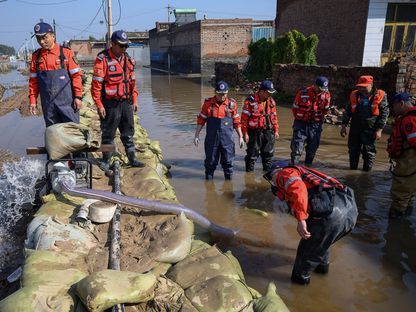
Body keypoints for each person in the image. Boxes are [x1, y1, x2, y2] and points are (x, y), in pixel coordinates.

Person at [264, 161, 358, 285]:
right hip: (349, 210)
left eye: (271, 177)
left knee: (303, 262)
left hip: (331, 214)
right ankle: (322, 279)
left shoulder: (284, 173)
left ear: (277, 170)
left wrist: (301, 220)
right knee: (322, 247)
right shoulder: (302, 173)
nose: (273, 182)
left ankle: (299, 293)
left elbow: (298, 189)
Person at [91, 30, 144, 170]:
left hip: (126, 102)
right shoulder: (102, 60)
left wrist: (135, 100)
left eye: (126, 46)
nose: (124, 49)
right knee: (108, 133)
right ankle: (105, 160)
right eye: (121, 46)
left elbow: (132, 82)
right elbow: (96, 86)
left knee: (128, 132)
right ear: (112, 44)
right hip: (110, 104)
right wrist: (99, 104)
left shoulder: (127, 60)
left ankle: (132, 158)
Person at [29, 22, 83, 127]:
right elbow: (33, 82)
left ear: (53, 36)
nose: (41, 41)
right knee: (53, 135)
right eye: (38, 39)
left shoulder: (66, 53)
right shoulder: (36, 57)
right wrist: (32, 101)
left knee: (72, 132)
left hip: (68, 105)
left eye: (45, 38)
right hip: (48, 106)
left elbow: (76, 76)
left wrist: (78, 97)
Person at [194, 81, 244, 180]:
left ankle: (228, 186)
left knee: (228, 163)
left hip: (227, 141)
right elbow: (201, 120)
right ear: (215, 92)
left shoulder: (232, 104)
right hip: (212, 141)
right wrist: (196, 135)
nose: (222, 96)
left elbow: (237, 122)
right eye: (220, 93)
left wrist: (241, 136)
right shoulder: (208, 104)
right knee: (210, 163)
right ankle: (209, 186)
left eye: (224, 93)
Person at [340, 75, 389, 171]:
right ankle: (352, 171)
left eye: (364, 87)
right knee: (353, 150)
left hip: (371, 127)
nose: (361, 89)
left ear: (371, 85)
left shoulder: (380, 95)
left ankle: (367, 173)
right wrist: (343, 125)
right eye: (359, 86)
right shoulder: (354, 94)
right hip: (355, 126)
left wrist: (379, 130)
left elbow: (384, 113)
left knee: (369, 151)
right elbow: (348, 111)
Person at [386, 92, 416, 218]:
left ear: (401, 103)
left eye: (394, 105)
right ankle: (405, 217)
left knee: (401, 190)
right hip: (408, 161)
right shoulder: (407, 118)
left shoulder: (409, 120)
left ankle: (395, 224)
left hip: (408, 162)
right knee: (408, 192)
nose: (393, 108)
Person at [290, 76, 331, 165]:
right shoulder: (302, 93)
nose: (322, 91)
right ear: (315, 86)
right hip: (301, 124)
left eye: (324, 89)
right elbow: (295, 109)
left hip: (315, 125)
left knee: (312, 149)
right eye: (320, 89)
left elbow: (325, 110)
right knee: (297, 148)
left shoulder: (326, 95)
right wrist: (300, 119)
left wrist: (318, 120)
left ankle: (308, 167)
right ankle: (293, 167)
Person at [241, 80, 279, 172]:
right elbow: (244, 120)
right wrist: (245, 133)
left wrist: (276, 130)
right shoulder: (250, 101)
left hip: (268, 132)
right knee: (252, 156)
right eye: (268, 93)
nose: (270, 95)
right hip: (254, 133)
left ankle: (267, 176)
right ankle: (249, 178)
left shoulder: (271, 102)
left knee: (268, 155)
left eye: (271, 93)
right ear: (261, 91)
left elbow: (274, 117)